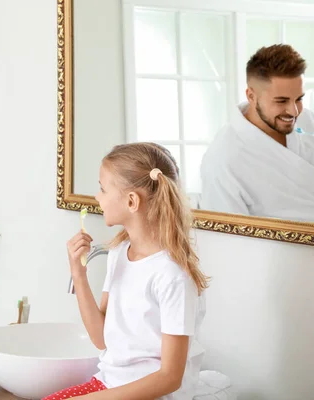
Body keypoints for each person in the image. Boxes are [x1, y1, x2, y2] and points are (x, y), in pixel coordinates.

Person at [45, 143, 208, 400]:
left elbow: (170, 378)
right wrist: (79, 273)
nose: (97, 197)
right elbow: (101, 339)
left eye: (102, 189)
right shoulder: (120, 252)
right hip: (109, 385)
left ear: (132, 201)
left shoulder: (172, 276)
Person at [200, 44, 314, 221]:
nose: (293, 111)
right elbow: (226, 238)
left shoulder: (307, 120)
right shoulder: (223, 159)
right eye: (281, 101)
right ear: (251, 96)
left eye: (299, 99)